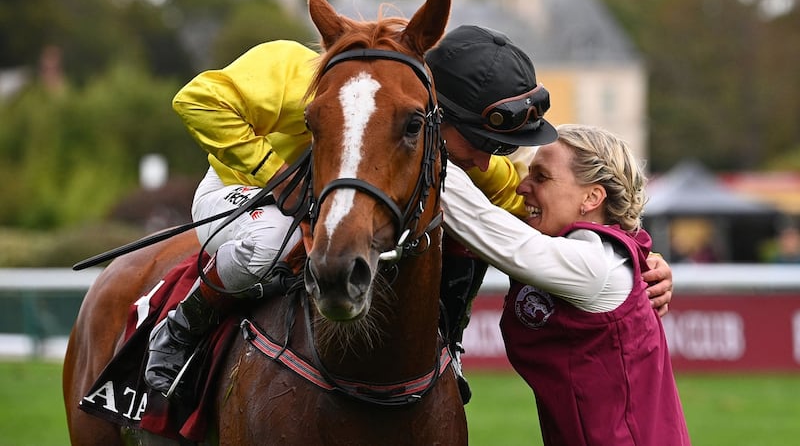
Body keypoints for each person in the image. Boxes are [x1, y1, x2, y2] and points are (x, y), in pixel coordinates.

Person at [144, 25, 674, 400]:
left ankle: (447, 345)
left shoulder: (447, 140)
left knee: (453, 234)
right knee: (272, 241)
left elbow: (531, 210)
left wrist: (634, 254)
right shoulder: (290, 69)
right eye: (480, 142)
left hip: (322, 201)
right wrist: (277, 174)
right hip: (245, 190)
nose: (486, 160)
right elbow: (198, 99)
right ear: (439, 114)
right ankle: (186, 324)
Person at [441, 123, 691, 445]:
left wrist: (425, 153)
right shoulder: (600, 256)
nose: (521, 188)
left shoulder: (595, 265)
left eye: (541, 177)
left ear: (591, 197)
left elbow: (486, 227)